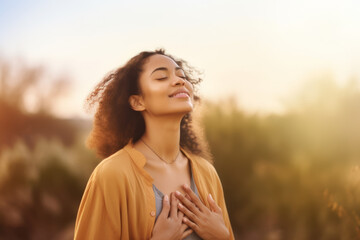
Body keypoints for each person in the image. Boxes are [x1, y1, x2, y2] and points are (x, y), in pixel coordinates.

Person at [74, 49, 235, 240]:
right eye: (161, 77)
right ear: (137, 101)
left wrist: (222, 236)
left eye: (182, 76)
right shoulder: (112, 174)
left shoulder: (207, 173)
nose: (179, 81)